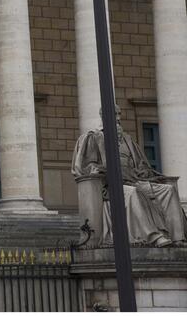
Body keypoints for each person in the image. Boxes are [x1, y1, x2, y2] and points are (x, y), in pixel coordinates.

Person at [72, 106, 187, 247]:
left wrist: (144, 172)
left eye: (119, 114)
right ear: (104, 117)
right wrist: (102, 170)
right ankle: (154, 236)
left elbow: (141, 165)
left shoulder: (127, 140)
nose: (119, 118)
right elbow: (87, 166)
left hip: (135, 181)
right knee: (132, 193)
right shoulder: (94, 138)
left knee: (168, 190)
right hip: (110, 187)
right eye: (115, 114)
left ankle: (178, 238)